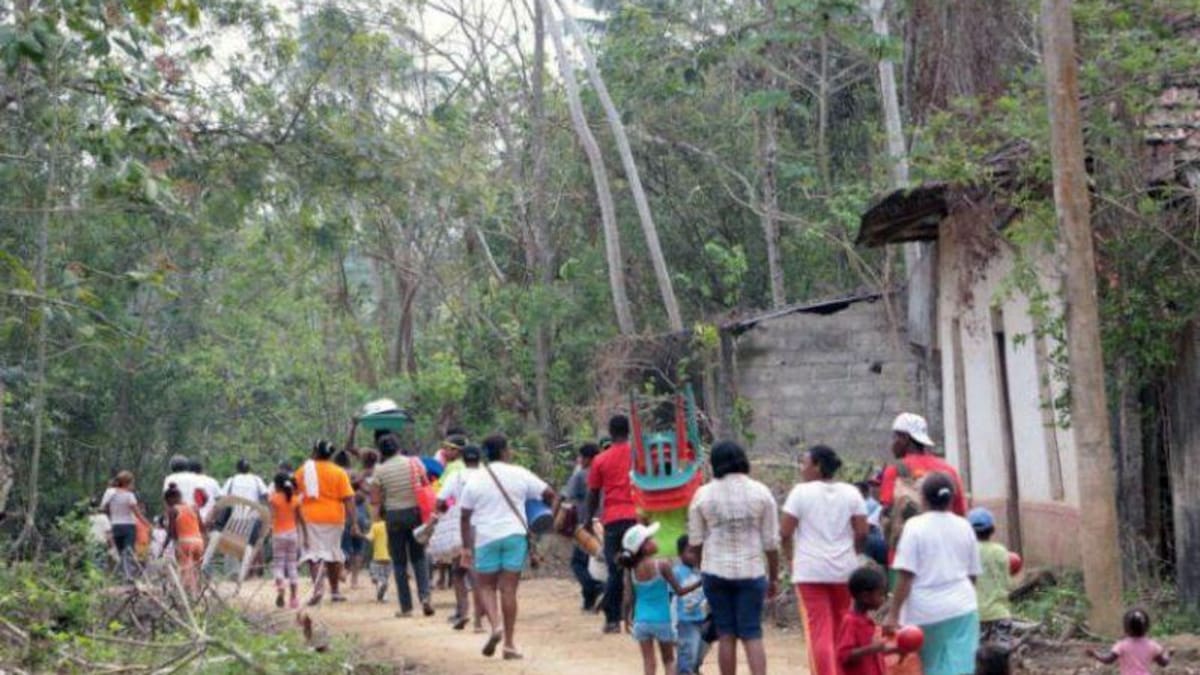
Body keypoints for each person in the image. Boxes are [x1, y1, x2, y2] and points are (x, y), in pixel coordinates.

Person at [459, 434, 556, 660]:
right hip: (515, 536)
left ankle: (496, 626)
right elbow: (549, 494)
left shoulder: (475, 479)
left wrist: (465, 548)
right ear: (504, 451)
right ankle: (510, 644)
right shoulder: (520, 473)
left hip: (486, 537)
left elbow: (464, 516)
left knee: (486, 587)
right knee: (509, 590)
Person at [686, 440, 780, 675]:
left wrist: (700, 568)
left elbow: (695, 542)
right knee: (751, 632)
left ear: (714, 463)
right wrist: (774, 577)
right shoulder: (761, 492)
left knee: (725, 633)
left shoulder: (703, 494)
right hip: (752, 570)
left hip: (715, 570)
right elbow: (771, 543)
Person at [779, 445, 868, 675]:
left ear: (817, 466)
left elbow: (785, 532)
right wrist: (853, 554)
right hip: (844, 571)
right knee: (841, 627)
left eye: (805, 464)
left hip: (810, 570)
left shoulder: (800, 492)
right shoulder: (852, 493)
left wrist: (791, 560)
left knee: (819, 631)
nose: (802, 469)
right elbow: (862, 532)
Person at [884, 473, 981, 675]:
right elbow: (972, 575)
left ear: (923, 498)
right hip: (962, 607)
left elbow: (905, 576)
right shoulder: (964, 526)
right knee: (963, 666)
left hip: (925, 611)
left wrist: (893, 614)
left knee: (931, 667)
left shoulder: (914, 527)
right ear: (952, 498)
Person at [619, 523, 701, 675]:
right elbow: (680, 591)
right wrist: (700, 582)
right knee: (669, 661)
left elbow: (628, 597)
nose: (655, 541)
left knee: (649, 663)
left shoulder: (631, 569)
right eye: (650, 539)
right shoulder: (662, 565)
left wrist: (625, 618)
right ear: (644, 547)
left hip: (641, 621)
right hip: (662, 620)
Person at [586, 414, 640, 633]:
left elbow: (593, 493)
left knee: (615, 570)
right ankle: (638, 616)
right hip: (638, 516)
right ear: (629, 431)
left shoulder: (601, 459)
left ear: (610, 432)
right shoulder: (639, 456)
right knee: (639, 568)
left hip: (613, 519)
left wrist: (589, 519)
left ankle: (612, 621)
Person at [371, 434, 435, 617]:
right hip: (415, 513)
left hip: (394, 517)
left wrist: (376, 520)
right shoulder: (413, 463)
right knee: (419, 557)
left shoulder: (380, 470)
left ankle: (406, 607)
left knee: (399, 562)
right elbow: (425, 484)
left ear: (381, 451)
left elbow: (375, 499)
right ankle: (425, 597)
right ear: (399, 447)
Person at [295, 439, 359, 604]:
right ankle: (335, 592)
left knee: (314, 555)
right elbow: (349, 498)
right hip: (334, 518)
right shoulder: (338, 472)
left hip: (310, 518)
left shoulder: (302, 471)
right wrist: (354, 523)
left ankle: (318, 589)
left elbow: (293, 496)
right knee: (333, 554)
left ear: (315, 452)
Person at [434, 443, 484, 631]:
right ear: (479, 459)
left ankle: (464, 613)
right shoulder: (486, 476)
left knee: (460, 571)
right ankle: (478, 619)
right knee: (474, 573)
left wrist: (444, 510)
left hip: (461, 527)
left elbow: (440, 501)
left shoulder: (456, 476)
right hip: (485, 528)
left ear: (463, 459)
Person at [879, 413, 967, 517]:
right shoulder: (948, 470)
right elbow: (960, 511)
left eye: (895, 437)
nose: (892, 444)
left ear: (905, 438)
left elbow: (887, 514)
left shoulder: (895, 470)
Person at [564, 442, 604, 611]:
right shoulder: (605, 470)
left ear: (587, 458)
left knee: (578, 562)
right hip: (605, 521)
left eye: (580, 457)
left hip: (586, 523)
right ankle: (590, 600)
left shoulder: (580, 475)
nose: (579, 460)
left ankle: (594, 588)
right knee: (599, 561)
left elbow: (567, 495)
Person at [837, 566, 898, 675]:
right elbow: (844, 655)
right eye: (880, 594)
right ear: (865, 596)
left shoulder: (867, 621)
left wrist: (897, 648)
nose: (883, 598)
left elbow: (875, 652)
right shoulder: (850, 622)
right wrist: (871, 649)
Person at [968, 507, 1014, 644]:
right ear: (992, 529)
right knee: (1001, 657)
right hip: (1000, 613)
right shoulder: (1001, 551)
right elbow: (1007, 582)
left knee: (977, 656)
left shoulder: (968, 551)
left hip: (976, 614)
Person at [1089, 609, 1171, 674]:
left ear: (1126, 628)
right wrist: (1169, 654)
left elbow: (1108, 660)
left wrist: (1094, 654)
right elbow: (1163, 663)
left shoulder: (1122, 645)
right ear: (1146, 627)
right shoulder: (1153, 645)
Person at [101, 470, 148, 580]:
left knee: (120, 553)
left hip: (115, 526)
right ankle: (128, 576)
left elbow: (103, 507)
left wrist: (111, 515)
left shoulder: (110, 492)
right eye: (132, 483)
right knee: (128, 552)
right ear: (128, 483)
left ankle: (119, 576)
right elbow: (138, 514)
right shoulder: (130, 496)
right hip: (129, 527)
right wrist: (147, 524)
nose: (133, 486)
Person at [673, 535, 709, 675]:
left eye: (697, 552)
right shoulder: (676, 572)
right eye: (690, 552)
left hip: (701, 617)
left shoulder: (701, 571)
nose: (695, 556)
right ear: (680, 554)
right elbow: (673, 597)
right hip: (685, 620)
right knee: (688, 651)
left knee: (696, 651)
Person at [269, 472, 303, 609]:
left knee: (278, 565)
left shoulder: (273, 499)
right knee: (292, 566)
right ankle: (294, 599)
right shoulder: (295, 499)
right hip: (293, 534)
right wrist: (304, 535)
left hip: (278, 534)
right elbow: (300, 519)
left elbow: (272, 517)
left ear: (276, 485)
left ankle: (281, 586)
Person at [163, 485, 205, 597]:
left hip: (185, 542)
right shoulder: (194, 508)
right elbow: (202, 527)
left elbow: (171, 532)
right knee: (196, 569)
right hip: (199, 542)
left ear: (170, 499)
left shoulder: (173, 510)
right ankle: (198, 592)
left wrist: (163, 547)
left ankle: (187, 594)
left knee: (184, 569)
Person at [365, 508, 391, 602]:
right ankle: (384, 597)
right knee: (385, 577)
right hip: (389, 558)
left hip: (377, 557)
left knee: (375, 577)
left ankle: (380, 585)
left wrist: (359, 534)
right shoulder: (391, 526)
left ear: (379, 515)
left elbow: (369, 538)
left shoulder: (376, 526)